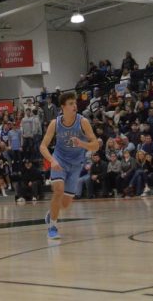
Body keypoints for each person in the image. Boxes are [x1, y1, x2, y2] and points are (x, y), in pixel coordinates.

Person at [39, 91, 101, 239]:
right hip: (59, 161)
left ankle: (51, 213)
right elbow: (42, 146)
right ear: (63, 107)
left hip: (76, 165)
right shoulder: (55, 123)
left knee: (65, 204)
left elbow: (96, 146)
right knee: (58, 190)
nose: (75, 106)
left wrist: (82, 143)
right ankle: (53, 227)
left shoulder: (83, 122)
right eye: (71, 103)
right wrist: (52, 160)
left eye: (75, 103)